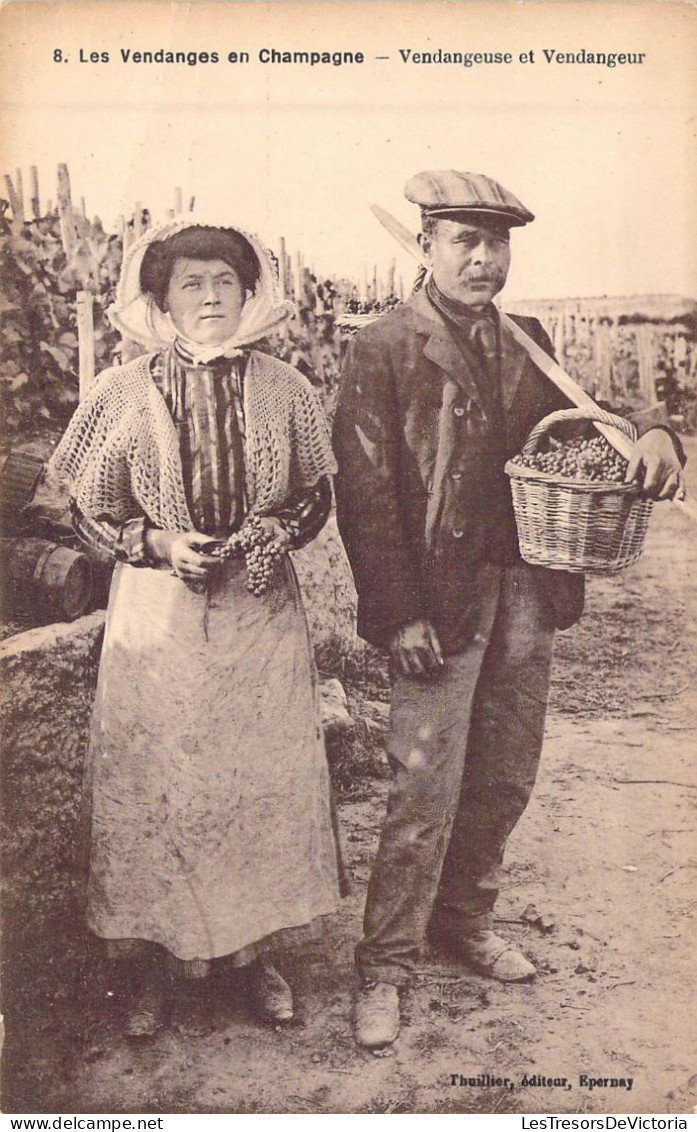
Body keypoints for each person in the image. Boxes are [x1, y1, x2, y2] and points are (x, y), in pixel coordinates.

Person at [332, 170, 687, 1049]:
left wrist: (655, 432)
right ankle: (385, 965)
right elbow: (367, 496)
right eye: (465, 241)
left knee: (503, 773)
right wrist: (397, 613)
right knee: (423, 782)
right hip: (436, 604)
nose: (485, 260)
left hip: (524, 591)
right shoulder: (383, 346)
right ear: (425, 246)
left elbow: (602, 411)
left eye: (497, 244)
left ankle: (463, 921)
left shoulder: (526, 340)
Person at [49, 217, 343, 1036]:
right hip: (158, 618)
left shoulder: (286, 388)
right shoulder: (120, 389)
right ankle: (154, 968)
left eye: (224, 283)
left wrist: (271, 532)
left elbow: (314, 495)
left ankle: (255, 960)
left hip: (258, 616)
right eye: (190, 284)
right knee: (160, 784)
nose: (209, 297)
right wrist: (154, 542)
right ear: (160, 299)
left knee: (256, 785)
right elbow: (84, 509)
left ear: (250, 294)